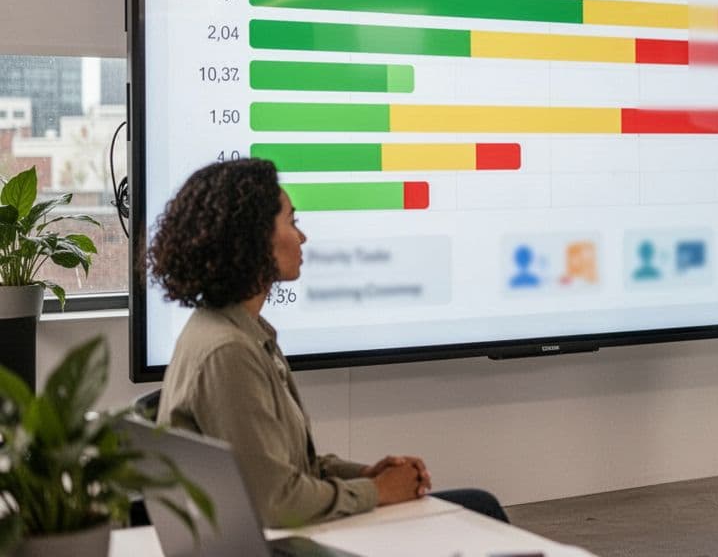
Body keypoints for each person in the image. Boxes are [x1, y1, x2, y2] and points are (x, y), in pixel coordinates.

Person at [150, 158, 507, 528]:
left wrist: (368, 475)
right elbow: (277, 501)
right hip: (277, 543)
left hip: (274, 531)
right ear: (253, 239)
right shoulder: (229, 352)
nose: (302, 237)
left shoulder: (240, 333)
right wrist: (379, 491)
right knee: (480, 508)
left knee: (478, 506)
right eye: (292, 222)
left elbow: (292, 468)